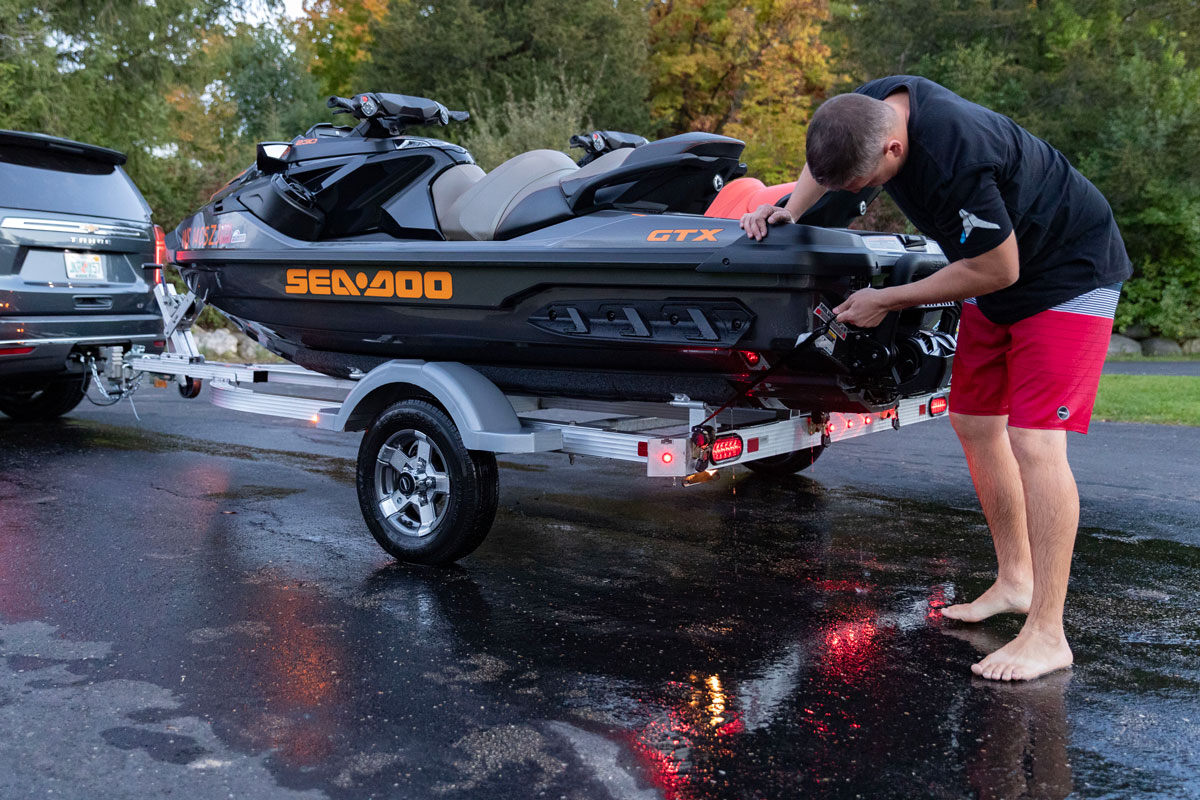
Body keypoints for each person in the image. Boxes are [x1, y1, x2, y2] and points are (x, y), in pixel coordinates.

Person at [740, 76, 1131, 681]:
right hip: (1001, 277)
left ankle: (1049, 634)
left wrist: (888, 299)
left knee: (1034, 441)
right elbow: (828, 163)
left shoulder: (958, 154)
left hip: (1067, 273)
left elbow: (998, 269)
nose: (860, 196)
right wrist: (789, 206)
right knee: (974, 420)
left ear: (894, 151)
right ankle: (1015, 581)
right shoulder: (868, 108)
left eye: (865, 184)